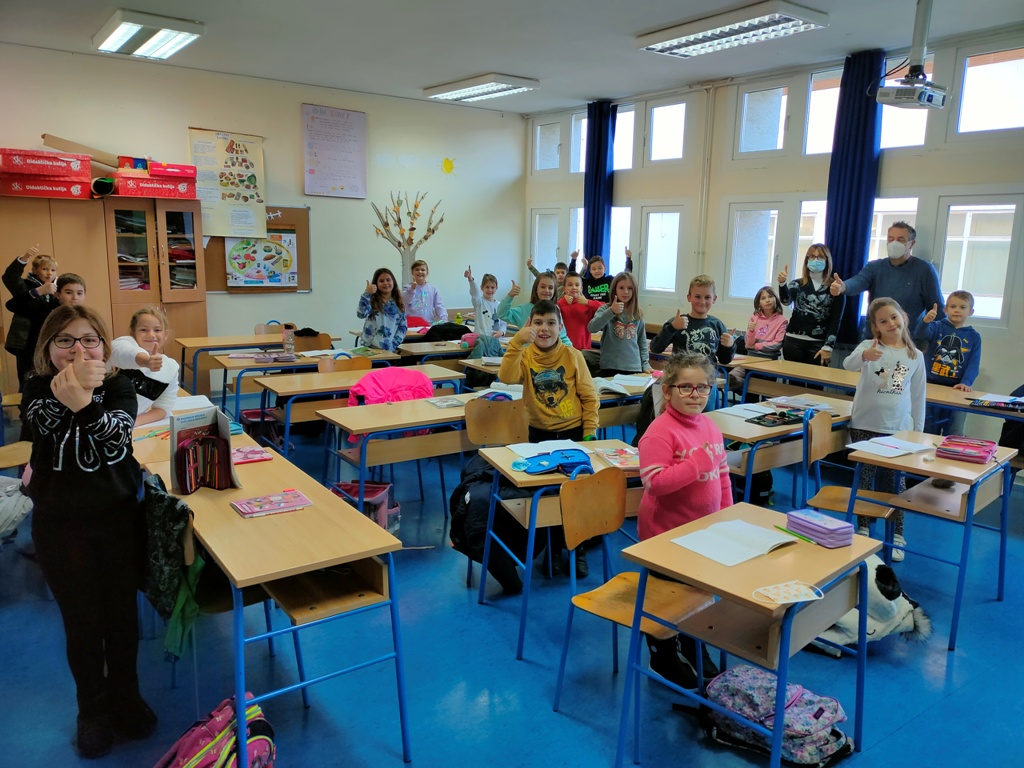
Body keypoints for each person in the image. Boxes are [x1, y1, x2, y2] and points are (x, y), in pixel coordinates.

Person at [23, 305, 155, 759]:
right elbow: (39, 424)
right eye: (65, 340)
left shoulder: (120, 385)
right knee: (81, 623)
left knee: (121, 617)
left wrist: (82, 401)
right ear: (48, 348)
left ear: (104, 346)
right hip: (59, 525)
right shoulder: (36, 386)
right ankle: (92, 711)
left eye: (89, 340)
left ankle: (126, 697)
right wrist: (72, 394)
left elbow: (116, 438)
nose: (78, 350)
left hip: (117, 518)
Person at [638, 352, 730, 689]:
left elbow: (722, 475)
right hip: (664, 536)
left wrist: (727, 517)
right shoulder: (660, 433)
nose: (695, 394)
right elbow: (655, 483)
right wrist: (694, 464)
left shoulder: (709, 426)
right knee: (667, 599)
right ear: (668, 390)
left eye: (703, 387)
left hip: (701, 533)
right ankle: (662, 653)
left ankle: (693, 643)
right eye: (686, 387)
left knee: (699, 594)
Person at [498, 300, 599, 576]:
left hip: (573, 434)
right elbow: (506, 376)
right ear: (529, 325)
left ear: (560, 327)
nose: (544, 328)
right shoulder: (526, 355)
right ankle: (553, 549)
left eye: (551, 323)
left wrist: (590, 432)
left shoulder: (572, 356)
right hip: (539, 436)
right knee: (547, 495)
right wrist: (517, 343)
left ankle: (577, 547)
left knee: (577, 494)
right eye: (538, 323)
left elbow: (590, 397)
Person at [843, 298, 926, 561]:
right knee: (865, 479)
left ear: (903, 317)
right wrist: (864, 356)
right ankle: (863, 528)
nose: (891, 323)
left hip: (898, 429)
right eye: (883, 321)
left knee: (895, 482)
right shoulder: (869, 347)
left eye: (894, 317)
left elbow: (918, 396)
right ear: (876, 327)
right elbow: (848, 364)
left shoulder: (915, 355)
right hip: (864, 424)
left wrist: (917, 431)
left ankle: (897, 534)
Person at [829, 222, 943, 345]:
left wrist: (940, 339)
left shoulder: (924, 270)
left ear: (911, 243)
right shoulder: (875, 267)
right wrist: (843, 287)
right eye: (891, 239)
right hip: (874, 339)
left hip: (908, 342)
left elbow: (938, 309)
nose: (894, 243)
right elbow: (858, 281)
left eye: (900, 239)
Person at [921, 290, 981, 435]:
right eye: (953, 306)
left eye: (962, 307)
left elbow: (974, 363)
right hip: (931, 386)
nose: (957, 310)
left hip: (957, 390)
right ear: (946, 309)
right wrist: (925, 322)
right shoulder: (936, 327)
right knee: (928, 429)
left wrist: (966, 382)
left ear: (970, 312)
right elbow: (921, 335)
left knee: (954, 431)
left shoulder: (974, 337)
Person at [108, 306, 180, 427]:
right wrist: (146, 361)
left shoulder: (171, 368)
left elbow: (163, 408)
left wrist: (129, 423)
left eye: (157, 330)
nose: (151, 335)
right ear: (133, 332)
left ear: (166, 334)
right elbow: (123, 352)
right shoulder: (123, 344)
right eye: (143, 330)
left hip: (126, 427)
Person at [650, 275, 736, 372]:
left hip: (706, 378)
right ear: (689, 297)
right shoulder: (677, 322)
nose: (702, 301)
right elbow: (655, 348)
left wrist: (730, 346)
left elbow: (724, 360)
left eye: (707, 297)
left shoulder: (717, 326)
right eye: (697, 297)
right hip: (680, 376)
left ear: (714, 299)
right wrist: (671, 328)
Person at [3, 244, 60, 389]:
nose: (49, 273)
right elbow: (9, 277)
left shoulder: (57, 289)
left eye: (53, 270)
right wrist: (25, 258)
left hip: (49, 339)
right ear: (34, 270)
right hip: (27, 341)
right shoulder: (25, 285)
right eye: (45, 269)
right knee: (28, 378)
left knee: (51, 376)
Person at [778, 244, 845, 366]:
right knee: (792, 377)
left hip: (819, 344)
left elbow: (836, 321)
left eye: (820, 257)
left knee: (816, 379)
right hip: (793, 340)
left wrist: (828, 347)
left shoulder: (835, 288)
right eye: (812, 256)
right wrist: (782, 285)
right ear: (807, 260)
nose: (816, 260)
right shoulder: (797, 284)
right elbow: (786, 301)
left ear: (827, 260)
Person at [588, 271, 651, 375]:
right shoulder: (606, 309)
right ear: (615, 289)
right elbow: (592, 328)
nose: (626, 292)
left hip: (634, 367)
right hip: (610, 366)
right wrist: (611, 311)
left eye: (630, 288)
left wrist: (645, 364)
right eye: (621, 288)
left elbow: (642, 342)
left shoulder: (637, 313)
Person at [729, 285, 788, 391]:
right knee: (751, 390)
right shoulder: (754, 317)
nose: (767, 300)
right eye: (763, 298)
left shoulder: (782, 320)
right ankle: (741, 384)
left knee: (765, 389)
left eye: (770, 297)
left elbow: (777, 344)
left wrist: (756, 346)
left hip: (770, 360)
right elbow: (748, 344)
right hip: (752, 358)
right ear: (759, 303)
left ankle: (740, 383)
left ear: (776, 299)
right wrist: (751, 331)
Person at [496, 271, 573, 346]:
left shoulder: (555, 310)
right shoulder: (523, 310)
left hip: (551, 354)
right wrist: (510, 296)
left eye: (550, 288)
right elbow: (501, 314)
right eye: (542, 287)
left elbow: (562, 336)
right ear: (536, 289)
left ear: (554, 291)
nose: (546, 290)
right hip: (527, 353)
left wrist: (572, 351)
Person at [357, 267, 407, 352]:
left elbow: (402, 327)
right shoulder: (372, 300)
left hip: (388, 349)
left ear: (393, 282)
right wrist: (367, 294)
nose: (385, 283)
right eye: (381, 281)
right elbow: (361, 314)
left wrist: (393, 344)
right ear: (376, 284)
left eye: (388, 280)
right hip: (369, 348)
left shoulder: (398, 303)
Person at [557, 272, 602, 350]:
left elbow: (605, 308)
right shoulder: (560, 304)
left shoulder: (587, 304)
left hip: (584, 350)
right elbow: (552, 310)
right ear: (564, 288)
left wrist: (588, 302)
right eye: (570, 285)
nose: (574, 287)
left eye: (577, 285)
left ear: (581, 288)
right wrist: (563, 301)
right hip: (564, 350)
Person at [401, 259, 447, 327]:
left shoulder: (433, 289)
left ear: (427, 272)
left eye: (423, 270)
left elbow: (439, 306)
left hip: (428, 324)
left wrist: (444, 320)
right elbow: (406, 300)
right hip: (411, 325)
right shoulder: (407, 287)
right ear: (412, 272)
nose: (420, 271)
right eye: (417, 270)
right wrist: (412, 288)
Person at [464, 266, 506, 337]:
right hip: (481, 338)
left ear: (496, 288)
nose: (490, 290)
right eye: (487, 287)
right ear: (481, 288)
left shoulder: (499, 305)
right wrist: (470, 279)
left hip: (494, 339)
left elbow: (503, 323)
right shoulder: (478, 302)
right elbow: (474, 292)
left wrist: (501, 332)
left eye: (492, 287)